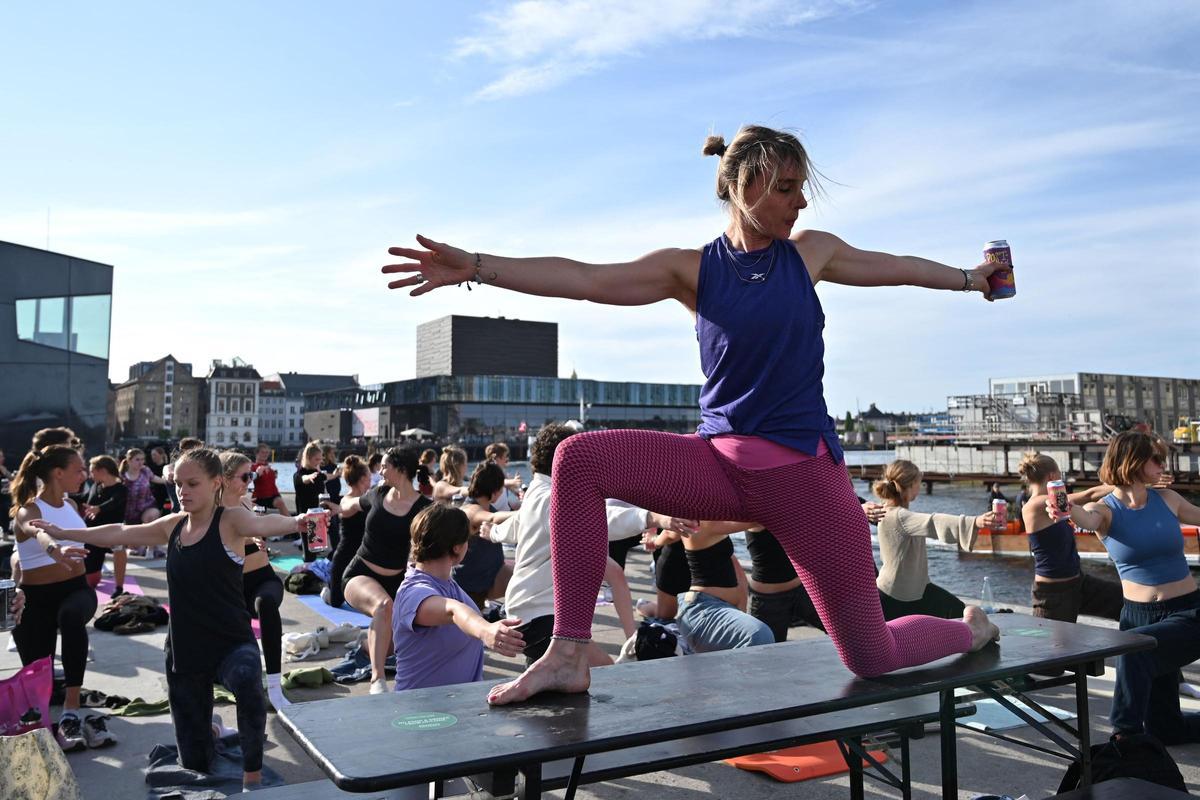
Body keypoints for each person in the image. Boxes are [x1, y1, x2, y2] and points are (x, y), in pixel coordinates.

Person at [384, 125, 1004, 703]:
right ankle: (569, 649)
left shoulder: (811, 254)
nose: (800, 204)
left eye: (800, 190)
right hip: (721, 467)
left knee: (869, 656)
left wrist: (972, 279)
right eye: (787, 189)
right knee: (576, 459)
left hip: (806, 484)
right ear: (743, 186)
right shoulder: (693, 269)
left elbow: (898, 268)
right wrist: (479, 270)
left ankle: (968, 629)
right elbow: (586, 278)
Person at [30, 447, 321, 790]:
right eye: (179, 484)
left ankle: (252, 777)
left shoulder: (230, 520)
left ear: (216, 483)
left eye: (193, 484)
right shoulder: (173, 526)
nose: (183, 491)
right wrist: (66, 534)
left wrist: (295, 522)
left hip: (231, 642)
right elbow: (121, 533)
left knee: (247, 683)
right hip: (184, 651)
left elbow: (262, 523)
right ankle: (210, 731)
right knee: (194, 761)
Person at [1057, 431, 1200, 743]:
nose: (1164, 465)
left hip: (1190, 610)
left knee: (1136, 651)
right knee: (1165, 729)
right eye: (1156, 459)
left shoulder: (1168, 499)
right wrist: (1063, 506)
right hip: (1139, 616)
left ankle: (1124, 740)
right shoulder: (1106, 510)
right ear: (1134, 461)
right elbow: (1085, 517)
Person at [488, 424, 662, 664]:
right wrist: (652, 517)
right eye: (580, 458)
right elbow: (598, 517)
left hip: (528, 612)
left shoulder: (537, 492)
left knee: (550, 682)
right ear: (565, 461)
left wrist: (493, 532)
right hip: (540, 616)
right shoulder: (553, 497)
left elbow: (515, 525)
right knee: (607, 669)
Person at [9, 444, 110, 751]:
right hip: (34, 599)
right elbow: (38, 533)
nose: (84, 475)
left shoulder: (73, 506)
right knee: (39, 673)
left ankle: (72, 705)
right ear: (58, 473)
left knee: (70, 616)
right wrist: (56, 550)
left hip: (76, 591)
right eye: (79, 470)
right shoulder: (29, 509)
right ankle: (53, 707)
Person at [392, 504, 524, 690]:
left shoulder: (447, 584)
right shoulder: (413, 592)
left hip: (456, 707)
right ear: (457, 548)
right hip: (421, 713)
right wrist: (485, 630)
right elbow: (452, 611)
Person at [339, 446, 433, 694]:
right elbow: (349, 506)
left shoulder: (424, 507)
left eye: (385, 466)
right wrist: (338, 505)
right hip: (361, 573)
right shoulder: (377, 493)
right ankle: (377, 680)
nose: (380, 470)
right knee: (383, 606)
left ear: (401, 470)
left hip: (398, 581)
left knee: (389, 646)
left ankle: (364, 643)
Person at [873, 460, 993, 620]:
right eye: (918, 483)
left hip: (911, 590)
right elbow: (932, 522)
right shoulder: (899, 516)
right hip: (896, 597)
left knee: (957, 613)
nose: (920, 487)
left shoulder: (890, 511)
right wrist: (976, 522)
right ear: (909, 486)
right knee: (959, 615)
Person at [218, 451, 289, 710]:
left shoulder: (247, 502)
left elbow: (266, 524)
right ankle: (249, 683)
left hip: (263, 578)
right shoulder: (213, 511)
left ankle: (274, 686)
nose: (251, 480)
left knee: (268, 604)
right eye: (246, 475)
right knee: (241, 643)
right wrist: (249, 536)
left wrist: (263, 535)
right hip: (232, 587)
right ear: (224, 479)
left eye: (252, 474)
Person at [1017, 452, 1122, 623]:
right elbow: (1089, 495)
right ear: (1052, 476)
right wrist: (1134, 485)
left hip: (1079, 583)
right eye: (1060, 474)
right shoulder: (1035, 505)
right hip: (1052, 593)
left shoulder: (1054, 506)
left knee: (1125, 603)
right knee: (1056, 649)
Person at [454, 462, 516, 609]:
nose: (501, 493)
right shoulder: (470, 510)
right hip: (472, 586)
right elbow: (493, 519)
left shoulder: (487, 507)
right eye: (501, 490)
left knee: (525, 576)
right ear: (493, 492)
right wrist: (530, 512)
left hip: (491, 576)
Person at [325, 455, 373, 609]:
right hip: (345, 557)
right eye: (369, 476)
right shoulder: (347, 500)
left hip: (364, 557)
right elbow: (354, 506)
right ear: (363, 479)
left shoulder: (368, 498)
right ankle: (325, 590)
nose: (371, 480)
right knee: (335, 602)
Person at [81, 455, 129, 596]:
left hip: (113, 532)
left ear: (102, 471)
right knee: (92, 581)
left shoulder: (121, 489)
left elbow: (114, 501)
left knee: (119, 549)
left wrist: (99, 508)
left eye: (92, 471)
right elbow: (84, 498)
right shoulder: (96, 486)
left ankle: (119, 587)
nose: (90, 475)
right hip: (93, 534)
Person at [293, 442, 337, 561]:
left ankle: (333, 554)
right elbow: (303, 479)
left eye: (320, 458)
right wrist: (309, 477)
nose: (319, 461)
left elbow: (327, 476)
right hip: (307, 516)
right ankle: (308, 570)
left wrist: (336, 474)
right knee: (309, 551)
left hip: (319, 514)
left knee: (320, 544)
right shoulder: (299, 474)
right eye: (316, 459)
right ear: (308, 458)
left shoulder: (318, 474)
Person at [122, 448, 168, 527]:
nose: (141, 462)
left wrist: (168, 481)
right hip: (129, 512)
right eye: (137, 460)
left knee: (150, 517)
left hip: (147, 507)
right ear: (129, 460)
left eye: (142, 459)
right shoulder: (122, 476)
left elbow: (154, 478)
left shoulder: (145, 470)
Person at [250, 443, 290, 516]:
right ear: (256, 453)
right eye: (262, 452)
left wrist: (273, 475)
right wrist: (257, 473)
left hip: (272, 496)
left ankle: (292, 523)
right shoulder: (253, 467)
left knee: (280, 502)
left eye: (267, 452)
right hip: (259, 498)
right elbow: (249, 478)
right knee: (260, 516)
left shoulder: (269, 468)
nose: (265, 454)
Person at [483, 442, 523, 512]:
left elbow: (510, 487)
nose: (507, 459)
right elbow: (498, 482)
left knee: (523, 504)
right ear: (497, 458)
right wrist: (513, 481)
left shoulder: (502, 472)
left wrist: (519, 493)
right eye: (505, 456)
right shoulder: (489, 470)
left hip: (505, 507)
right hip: (495, 510)